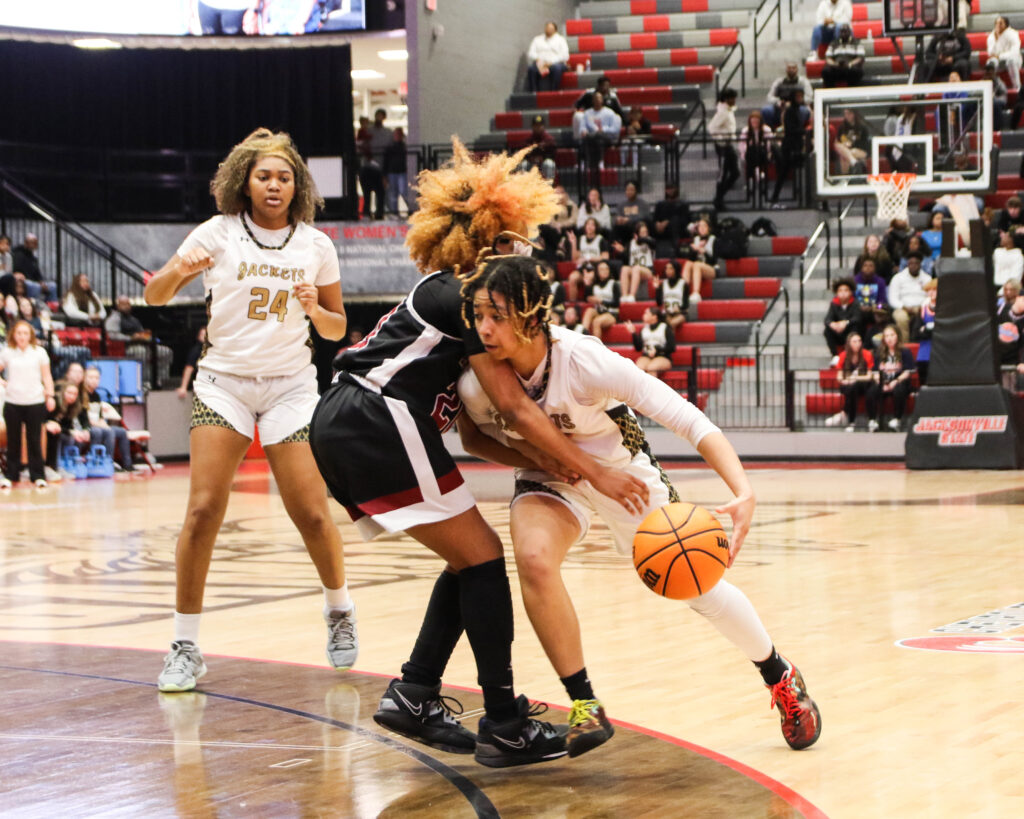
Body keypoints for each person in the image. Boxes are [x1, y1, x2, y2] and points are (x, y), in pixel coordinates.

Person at [307, 139, 648, 768]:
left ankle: (415, 693)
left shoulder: (455, 294)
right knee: (487, 560)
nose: (525, 250)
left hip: (350, 419)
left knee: (470, 559)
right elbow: (516, 407)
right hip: (376, 416)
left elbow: (473, 430)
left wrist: (544, 461)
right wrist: (592, 468)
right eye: (518, 237)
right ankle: (505, 721)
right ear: (491, 237)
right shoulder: (474, 294)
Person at [456, 256, 821, 754]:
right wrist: (529, 452)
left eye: (495, 316)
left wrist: (743, 490)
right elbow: (474, 438)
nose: (483, 328)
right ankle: (583, 703)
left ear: (531, 316)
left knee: (697, 584)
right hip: (549, 478)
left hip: (622, 475)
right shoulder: (479, 381)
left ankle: (779, 674)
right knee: (534, 559)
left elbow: (688, 418)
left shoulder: (585, 361)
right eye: (478, 315)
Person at [143, 128, 357, 692]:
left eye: (284, 177)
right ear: (245, 180)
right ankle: (185, 645)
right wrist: (180, 271)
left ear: (297, 186)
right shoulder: (216, 233)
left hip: (291, 386)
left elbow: (336, 330)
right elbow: (154, 296)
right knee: (203, 509)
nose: (274, 185)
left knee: (311, 512)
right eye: (264, 175)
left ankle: (338, 609)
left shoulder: (316, 245)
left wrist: (316, 310)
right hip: (224, 385)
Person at [0, 320, 56, 489]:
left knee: (34, 440)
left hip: (35, 401)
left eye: (25, 333)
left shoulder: (39, 352)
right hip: (13, 402)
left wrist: (50, 395)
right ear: (14, 335)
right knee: (13, 440)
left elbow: (47, 376)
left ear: (30, 335)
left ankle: (38, 476)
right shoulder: (7, 352)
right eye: (19, 333)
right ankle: (11, 475)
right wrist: (4, 383)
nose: (22, 336)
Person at [82, 365, 134, 472]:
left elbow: (100, 416)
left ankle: (127, 464)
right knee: (107, 432)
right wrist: (100, 425)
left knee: (122, 432)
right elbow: (84, 418)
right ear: (84, 378)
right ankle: (106, 462)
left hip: (99, 425)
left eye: (97, 378)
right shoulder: (81, 395)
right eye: (91, 377)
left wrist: (103, 424)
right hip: (88, 426)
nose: (94, 380)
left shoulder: (96, 395)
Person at [866, 324, 915, 432]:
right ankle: (872, 420)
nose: (889, 338)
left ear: (897, 336)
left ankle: (897, 419)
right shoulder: (879, 352)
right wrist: (881, 382)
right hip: (883, 381)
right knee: (871, 391)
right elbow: (875, 372)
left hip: (899, 381)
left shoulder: (905, 352)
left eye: (892, 335)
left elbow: (908, 372)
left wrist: (895, 382)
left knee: (899, 389)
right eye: (887, 336)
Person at [825, 332, 874, 430]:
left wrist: (854, 379)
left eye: (859, 341)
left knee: (855, 387)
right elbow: (839, 376)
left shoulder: (867, 354)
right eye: (854, 341)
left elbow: (869, 376)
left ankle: (846, 416)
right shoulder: (843, 355)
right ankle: (850, 420)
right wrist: (846, 380)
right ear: (849, 343)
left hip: (862, 384)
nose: (857, 344)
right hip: (847, 385)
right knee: (851, 389)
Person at [769, 88, 809, 207]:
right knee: (783, 173)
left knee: (793, 172)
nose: (800, 98)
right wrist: (804, 131)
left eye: (801, 96)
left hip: (796, 145)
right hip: (790, 147)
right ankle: (774, 198)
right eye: (797, 96)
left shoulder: (797, 110)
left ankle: (801, 199)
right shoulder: (790, 111)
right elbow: (790, 129)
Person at [578, 92, 622, 188]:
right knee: (587, 139)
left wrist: (604, 129)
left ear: (602, 100)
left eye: (599, 98)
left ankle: (600, 161)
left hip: (606, 137)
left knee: (598, 138)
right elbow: (582, 127)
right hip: (591, 137)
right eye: (595, 99)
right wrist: (584, 131)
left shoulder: (609, 113)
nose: (597, 101)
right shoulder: (587, 113)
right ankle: (584, 161)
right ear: (592, 101)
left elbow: (614, 129)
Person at [888, 251, 932, 344]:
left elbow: (930, 296)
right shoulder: (898, 278)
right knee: (901, 318)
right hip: (903, 307)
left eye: (916, 263)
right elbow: (893, 299)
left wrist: (922, 306)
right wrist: (903, 307)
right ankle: (905, 344)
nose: (913, 266)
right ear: (907, 264)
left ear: (920, 264)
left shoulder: (927, 278)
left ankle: (921, 343)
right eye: (911, 263)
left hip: (921, 307)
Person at [709, 87, 739, 211]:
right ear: (727, 99)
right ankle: (718, 200)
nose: (734, 100)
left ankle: (719, 196)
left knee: (735, 173)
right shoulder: (723, 112)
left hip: (728, 145)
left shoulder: (728, 110)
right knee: (722, 174)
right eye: (733, 98)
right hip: (723, 147)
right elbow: (712, 128)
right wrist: (722, 139)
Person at [761, 62, 813, 129]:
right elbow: (769, 96)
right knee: (766, 110)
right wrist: (779, 102)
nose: (791, 70)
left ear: (797, 69)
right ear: (786, 69)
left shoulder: (804, 82)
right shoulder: (779, 82)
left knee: (804, 111)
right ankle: (772, 132)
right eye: (789, 68)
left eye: (793, 68)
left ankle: (798, 131)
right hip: (781, 107)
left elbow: (809, 97)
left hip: (799, 107)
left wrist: (795, 103)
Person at [627, 306, 675, 375]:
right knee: (638, 369)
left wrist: (657, 350)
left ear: (654, 317)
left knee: (651, 368)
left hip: (663, 356)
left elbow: (672, 347)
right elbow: (638, 348)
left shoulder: (665, 328)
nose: (644, 315)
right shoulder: (644, 329)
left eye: (646, 313)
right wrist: (633, 333)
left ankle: (652, 386)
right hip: (646, 356)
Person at [581, 259, 620, 341]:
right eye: (602, 269)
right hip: (599, 311)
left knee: (596, 321)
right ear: (597, 272)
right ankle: (583, 335)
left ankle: (597, 348)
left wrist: (602, 301)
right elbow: (586, 298)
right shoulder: (594, 285)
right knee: (589, 311)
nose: (605, 271)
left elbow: (617, 303)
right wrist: (587, 285)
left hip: (611, 313)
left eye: (606, 269)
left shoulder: (614, 284)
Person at [526, 21, 570, 93]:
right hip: (540, 63)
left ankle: (554, 92)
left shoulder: (561, 40)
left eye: (551, 29)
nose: (548, 30)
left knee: (557, 68)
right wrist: (539, 60)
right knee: (531, 69)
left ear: (555, 30)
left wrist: (551, 62)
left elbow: (565, 56)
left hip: (555, 63)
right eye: (547, 28)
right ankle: (534, 92)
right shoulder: (537, 39)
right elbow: (531, 53)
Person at [824, 277, 863, 356]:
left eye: (846, 290)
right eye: (840, 290)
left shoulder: (855, 303)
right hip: (839, 333)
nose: (843, 293)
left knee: (855, 327)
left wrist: (846, 323)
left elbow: (857, 318)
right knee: (827, 331)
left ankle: (852, 352)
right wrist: (832, 324)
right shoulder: (834, 304)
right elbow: (827, 319)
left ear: (850, 292)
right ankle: (835, 355)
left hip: (850, 330)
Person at [681, 218, 716, 304]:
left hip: (710, 268)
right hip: (697, 268)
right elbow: (691, 259)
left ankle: (696, 293)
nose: (702, 228)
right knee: (688, 263)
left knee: (697, 264)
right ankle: (683, 291)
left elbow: (715, 260)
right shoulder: (696, 239)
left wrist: (704, 252)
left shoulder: (713, 239)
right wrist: (694, 250)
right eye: (700, 226)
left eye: (704, 226)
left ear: (709, 228)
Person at [739, 111, 773, 199]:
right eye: (753, 121)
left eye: (756, 121)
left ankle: (761, 178)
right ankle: (749, 182)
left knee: (759, 152)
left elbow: (769, 144)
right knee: (745, 159)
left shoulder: (766, 130)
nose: (755, 123)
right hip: (749, 154)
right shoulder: (745, 131)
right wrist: (746, 151)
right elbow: (742, 146)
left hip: (763, 153)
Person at [619, 221, 656, 302]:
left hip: (647, 270)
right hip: (634, 269)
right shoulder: (631, 243)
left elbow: (653, 243)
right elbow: (626, 260)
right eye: (642, 232)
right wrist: (622, 252)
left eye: (646, 232)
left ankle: (632, 295)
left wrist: (640, 239)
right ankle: (624, 296)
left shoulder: (649, 241)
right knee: (624, 268)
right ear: (636, 233)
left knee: (636, 268)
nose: (644, 234)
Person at [652, 183, 691, 259]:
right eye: (668, 189)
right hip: (661, 230)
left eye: (672, 188)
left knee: (675, 221)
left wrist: (667, 222)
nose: (670, 191)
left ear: (677, 189)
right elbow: (655, 218)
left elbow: (685, 221)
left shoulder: (682, 204)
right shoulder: (660, 204)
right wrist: (657, 224)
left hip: (678, 230)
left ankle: (675, 250)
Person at [383, 127, 415, 217]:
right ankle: (394, 213)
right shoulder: (390, 147)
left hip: (401, 172)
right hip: (392, 172)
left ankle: (411, 210)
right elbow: (386, 161)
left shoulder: (404, 147)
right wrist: (385, 175)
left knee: (403, 191)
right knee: (393, 193)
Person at [911, 279, 937, 385]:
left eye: (935, 290)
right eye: (929, 290)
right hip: (925, 353)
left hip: (941, 353)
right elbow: (916, 333)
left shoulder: (946, 308)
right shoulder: (923, 308)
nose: (931, 293)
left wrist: (926, 328)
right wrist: (929, 330)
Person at [612, 180, 651, 247]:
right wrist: (618, 219)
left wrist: (629, 220)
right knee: (616, 228)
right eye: (627, 190)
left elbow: (644, 217)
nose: (629, 192)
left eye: (631, 190)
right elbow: (615, 218)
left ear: (636, 191)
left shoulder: (643, 204)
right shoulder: (621, 205)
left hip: (636, 228)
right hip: (624, 229)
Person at [987, 16, 1021, 92]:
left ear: (1006, 24)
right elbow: (990, 53)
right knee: (990, 62)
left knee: (1011, 61)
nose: (998, 25)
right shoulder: (992, 36)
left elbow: (1014, 52)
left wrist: (1000, 56)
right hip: (999, 62)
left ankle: (1017, 87)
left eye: (1000, 23)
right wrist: (996, 39)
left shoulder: (1013, 34)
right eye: (996, 23)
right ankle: (993, 88)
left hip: (1014, 60)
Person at [832, 108, 870, 175]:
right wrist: (844, 144)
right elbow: (838, 143)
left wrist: (851, 144)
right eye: (845, 114)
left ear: (854, 114)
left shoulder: (862, 128)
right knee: (842, 151)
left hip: (861, 150)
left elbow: (865, 144)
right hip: (846, 149)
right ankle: (854, 163)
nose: (846, 116)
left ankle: (845, 178)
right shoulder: (842, 127)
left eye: (849, 113)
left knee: (848, 154)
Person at [519, 116, 557, 181]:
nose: (538, 127)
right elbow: (523, 154)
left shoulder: (549, 139)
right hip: (531, 163)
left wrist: (543, 157)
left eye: (540, 125)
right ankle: (523, 188)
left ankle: (548, 188)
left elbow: (553, 154)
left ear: (543, 126)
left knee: (549, 164)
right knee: (523, 164)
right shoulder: (528, 140)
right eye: (536, 125)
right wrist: (530, 158)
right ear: (533, 127)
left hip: (544, 163)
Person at [655, 259, 688, 330]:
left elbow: (686, 304)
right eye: (666, 268)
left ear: (676, 270)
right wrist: (657, 289)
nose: (667, 270)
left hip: (680, 313)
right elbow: (659, 303)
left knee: (671, 324)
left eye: (670, 268)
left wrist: (679, 308)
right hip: (667, 313)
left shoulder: (683, 283)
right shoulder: (663, 283)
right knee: (668, 322)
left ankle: (669, 340)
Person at [177, 327, 207, 399]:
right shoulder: (196, 351)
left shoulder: (212, 350)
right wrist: (183, 387)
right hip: (200, 386)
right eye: (202, 335)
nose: (204, 337)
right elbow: (189, 368)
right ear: (198, 337)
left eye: (206, 335)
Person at [982, 59, 1009, 130]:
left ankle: (997, 129)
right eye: (987, 70)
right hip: (983, 102)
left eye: (990, 70)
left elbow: (1004, 97)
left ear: (994, 71)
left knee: (995, 104)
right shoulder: (981, 82)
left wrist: (993, 99)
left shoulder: (999, 82)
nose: (988, 72)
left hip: (997, 102)